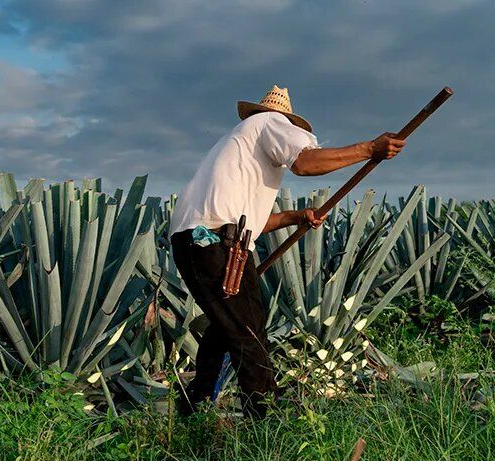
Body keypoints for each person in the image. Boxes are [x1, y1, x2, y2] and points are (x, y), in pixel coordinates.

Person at [169, 85, 406, 418]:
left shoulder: (237, 148)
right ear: (284, 123)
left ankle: (195, 410)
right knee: (249, 333)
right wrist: (369, 148)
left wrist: (297, 217)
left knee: (226, 327)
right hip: (218, 244)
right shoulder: (269, 123)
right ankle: (266, 422)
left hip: (194, 242)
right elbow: (305, 164)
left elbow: (253, 222)